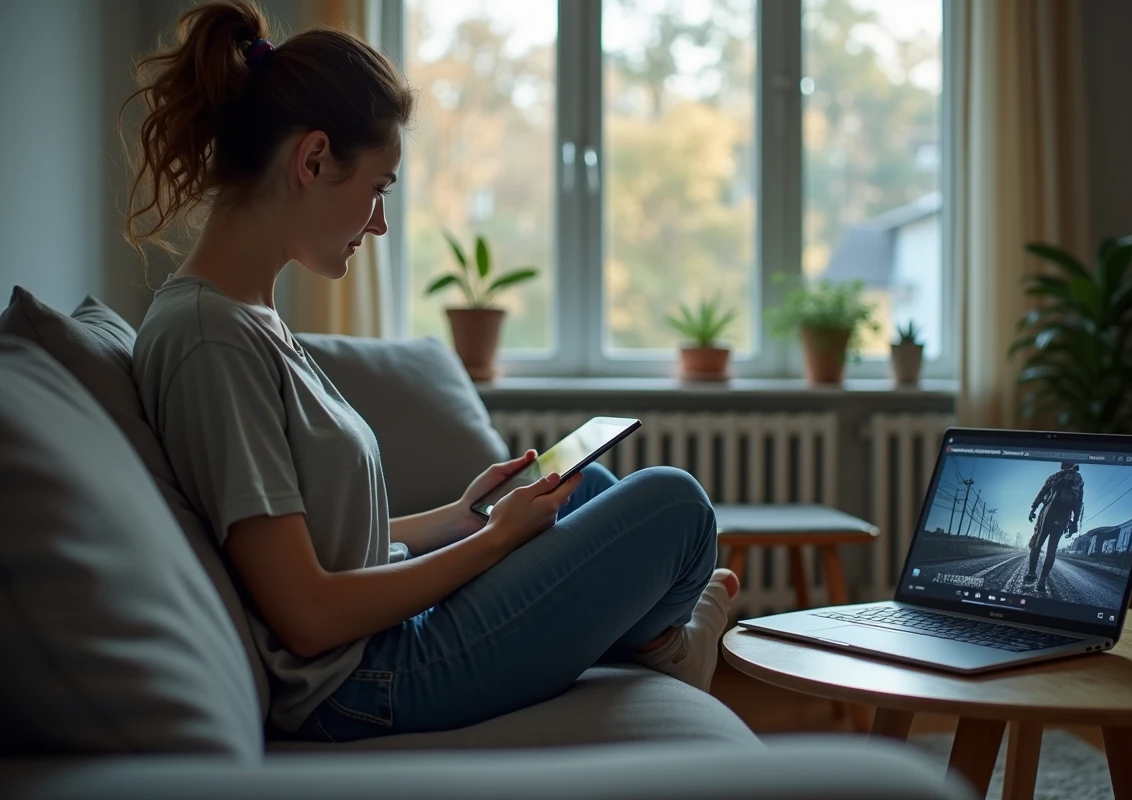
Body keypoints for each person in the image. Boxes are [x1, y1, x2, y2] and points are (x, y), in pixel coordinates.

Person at [125, 0, 739, 743]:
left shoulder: (249, 321)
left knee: (591, 491)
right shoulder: (209, 339)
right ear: (313, 161)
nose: (378, 225)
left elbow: (321, 543)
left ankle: (652, 645)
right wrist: (492, 541)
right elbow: (309, 614)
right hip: (367, 679)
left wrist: (460, 515)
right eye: (377, 190)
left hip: (384, 641)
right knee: (676, 506)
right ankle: (668, 652)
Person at [1023, 461, 1085, 593]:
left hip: (1047, 515)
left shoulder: (1054, 476)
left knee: (1036, 545)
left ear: (1063, 465)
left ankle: (1032, 574)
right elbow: (1078, 502)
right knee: (1051, 550)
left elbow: (1042, 492)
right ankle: (1042, 580)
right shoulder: (1079, 479)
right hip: (1063, 518)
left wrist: (1033, 508)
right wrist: (1074, 522)